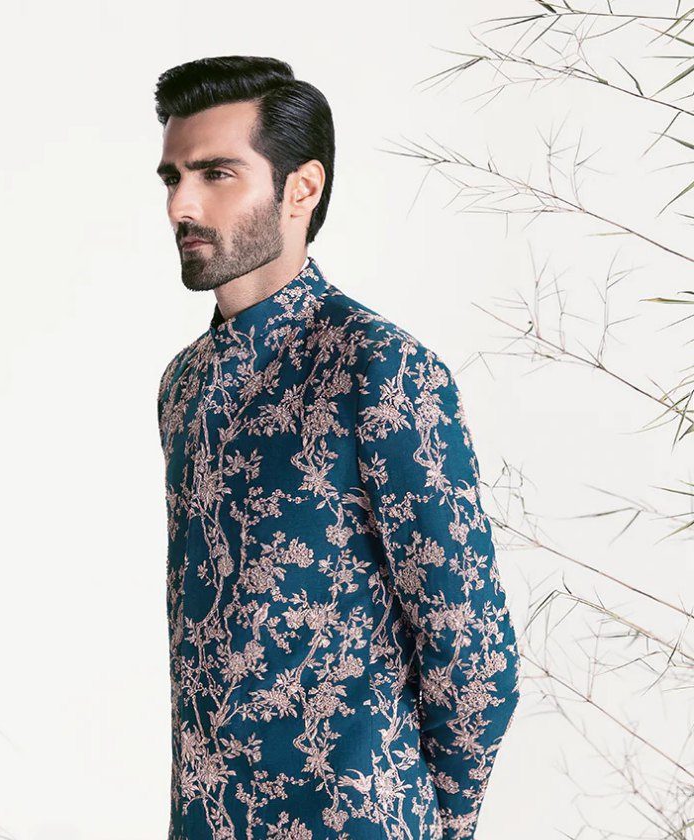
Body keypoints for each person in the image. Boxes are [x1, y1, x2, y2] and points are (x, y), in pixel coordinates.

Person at [154, 55, 521, 840]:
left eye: (216, 174)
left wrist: (432, 825)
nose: (183, 203)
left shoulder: (380, 367)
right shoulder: (183, 385)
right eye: (173, 178)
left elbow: (475, 653)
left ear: (301, 188)